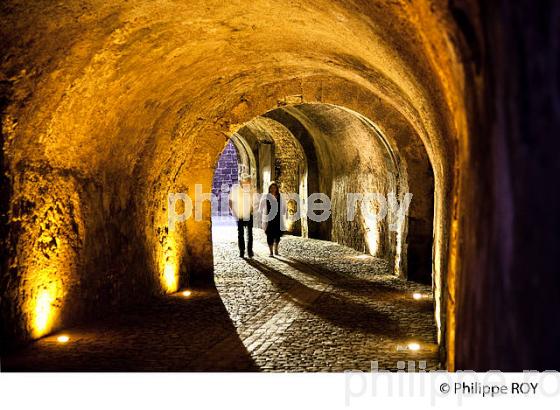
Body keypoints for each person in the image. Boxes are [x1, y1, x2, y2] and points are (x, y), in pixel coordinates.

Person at [229, 175, 257, 258]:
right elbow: (230, 201)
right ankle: (242, 251)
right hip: (239, 214)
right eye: (245, 182)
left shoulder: (251, 190)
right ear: (241, 182)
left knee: (250, 233)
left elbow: (254, 201)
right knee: (240, 233)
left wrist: (253, 209)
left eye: (248, 182)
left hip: (249, 214)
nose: (247, 184)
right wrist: (233, 212)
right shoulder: (235, 189)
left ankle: (249, 251)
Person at [260, 181, 287, 257]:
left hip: (278, 218)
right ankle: (271, 251)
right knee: (269, 235)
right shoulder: (266, 196)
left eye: (274, 188)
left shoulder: (280, 196)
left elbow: (284, 206)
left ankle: (276, 249)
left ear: (276, 188)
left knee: (278, 235)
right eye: (271, 188)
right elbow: (261, 207)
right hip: (269, 218)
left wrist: (284, 212)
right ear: (269, 189)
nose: (273, 189)